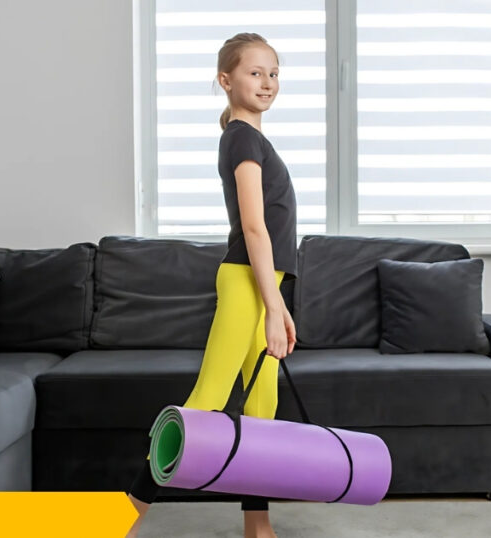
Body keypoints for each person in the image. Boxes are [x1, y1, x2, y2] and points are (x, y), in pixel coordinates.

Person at [125, 32, 298, 538]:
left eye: (274, 73)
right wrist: (272, 305)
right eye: (254, 72)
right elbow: (254, 228)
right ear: (226, 80)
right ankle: (118, 516)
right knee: (206, 401)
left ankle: (258, 525)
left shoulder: (254, 140)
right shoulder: (242, 138)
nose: (267, 82)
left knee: (262, 410)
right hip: (247, 282)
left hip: (264, 283)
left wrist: (277, 302)